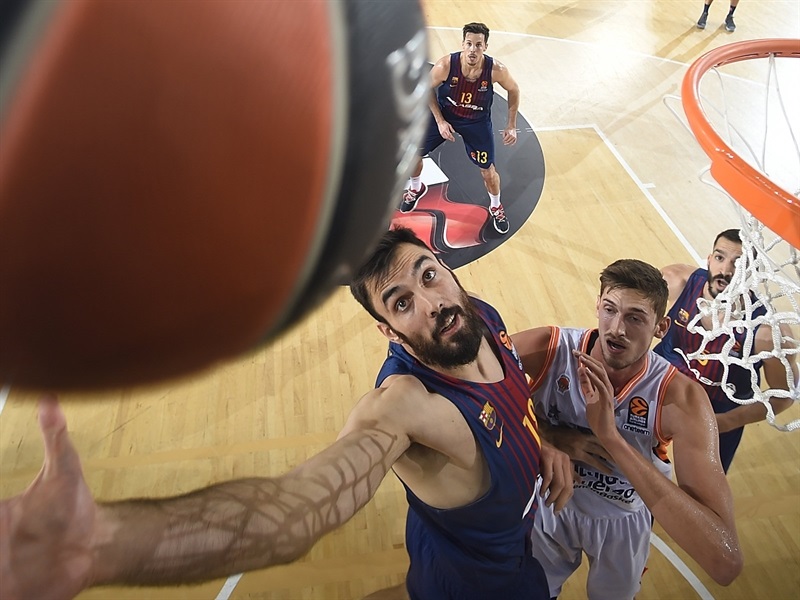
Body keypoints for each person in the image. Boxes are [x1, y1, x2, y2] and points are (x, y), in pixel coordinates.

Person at [0, 227, 573, 600]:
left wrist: (544, 437)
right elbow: (300, 508)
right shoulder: (406, 408)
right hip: (477, 585)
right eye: (402, 303)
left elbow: (514, 379)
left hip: (451, 541)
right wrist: (103, 542)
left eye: (428, 276)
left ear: (448, 270)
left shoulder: (479, 316)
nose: (432, 305)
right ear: (388, 331)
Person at [511, 258, 743, 599]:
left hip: (623, 520)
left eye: (635, 317)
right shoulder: (551, 349)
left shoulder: (680, 398)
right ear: (597, 307)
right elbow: (469, 388)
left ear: (660, 328)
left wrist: (610, 437)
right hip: (551, 504)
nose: (617, 328)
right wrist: (546, 436)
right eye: (610, 309)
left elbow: (725, 563)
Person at [654, 228, 796, 473]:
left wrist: (727, 422)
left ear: (754, 273)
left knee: (701, 495)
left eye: (738, 264)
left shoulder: (768, 333)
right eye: (720, 258)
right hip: (660, 387)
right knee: (625, 468)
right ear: (709, 259)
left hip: (718, 413)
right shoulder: (675, 281)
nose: (726, 270)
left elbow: (784, 396)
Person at [400, 22, 520, 236]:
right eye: (469, 44)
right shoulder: (445, 66)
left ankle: (495, 206)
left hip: (476, 123)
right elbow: (425, 89)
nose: (473, 49)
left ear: (486, 46)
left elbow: (514, 89)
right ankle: (416, 187)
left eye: (478, 44)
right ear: (462, 44)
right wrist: (439, 121)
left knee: (488, 171)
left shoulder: (496, 70)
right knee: (412, 155)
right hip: (446, 115)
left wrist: (511, 125)